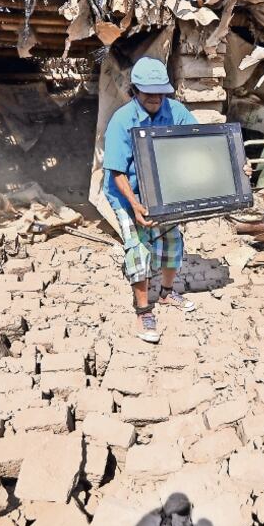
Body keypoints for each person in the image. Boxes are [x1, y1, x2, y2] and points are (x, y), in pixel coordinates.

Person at [102, 57, 198, 344]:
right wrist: (134, 205)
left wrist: (237, 167)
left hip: (163, 189)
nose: (156, 98)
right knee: (139, 247)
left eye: (161, 92)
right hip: (126, 192)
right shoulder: (121, 120)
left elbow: (202, 141)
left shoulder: (176, 111)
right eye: (149, 92)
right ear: (135, 90)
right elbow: (116, 171)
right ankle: (143, 310)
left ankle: (166, 293)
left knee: (172, 240)